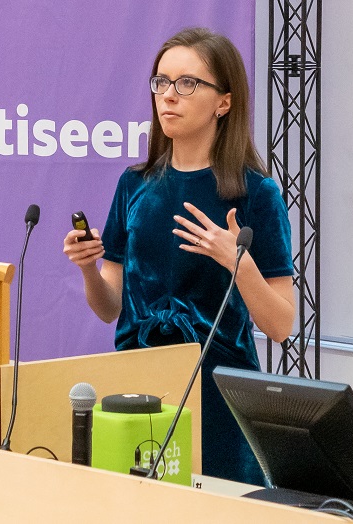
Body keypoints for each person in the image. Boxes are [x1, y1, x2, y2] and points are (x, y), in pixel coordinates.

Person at [62, 27, 295, 485]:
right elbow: (110, 308)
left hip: (218, 396)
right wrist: (89, 267)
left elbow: (281, 326)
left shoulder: (255, 194)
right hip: (139, 391)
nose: (168, 95)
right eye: (161, 82)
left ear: (223, 102)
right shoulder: (134, 185)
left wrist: (238, 263)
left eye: (187, 83)